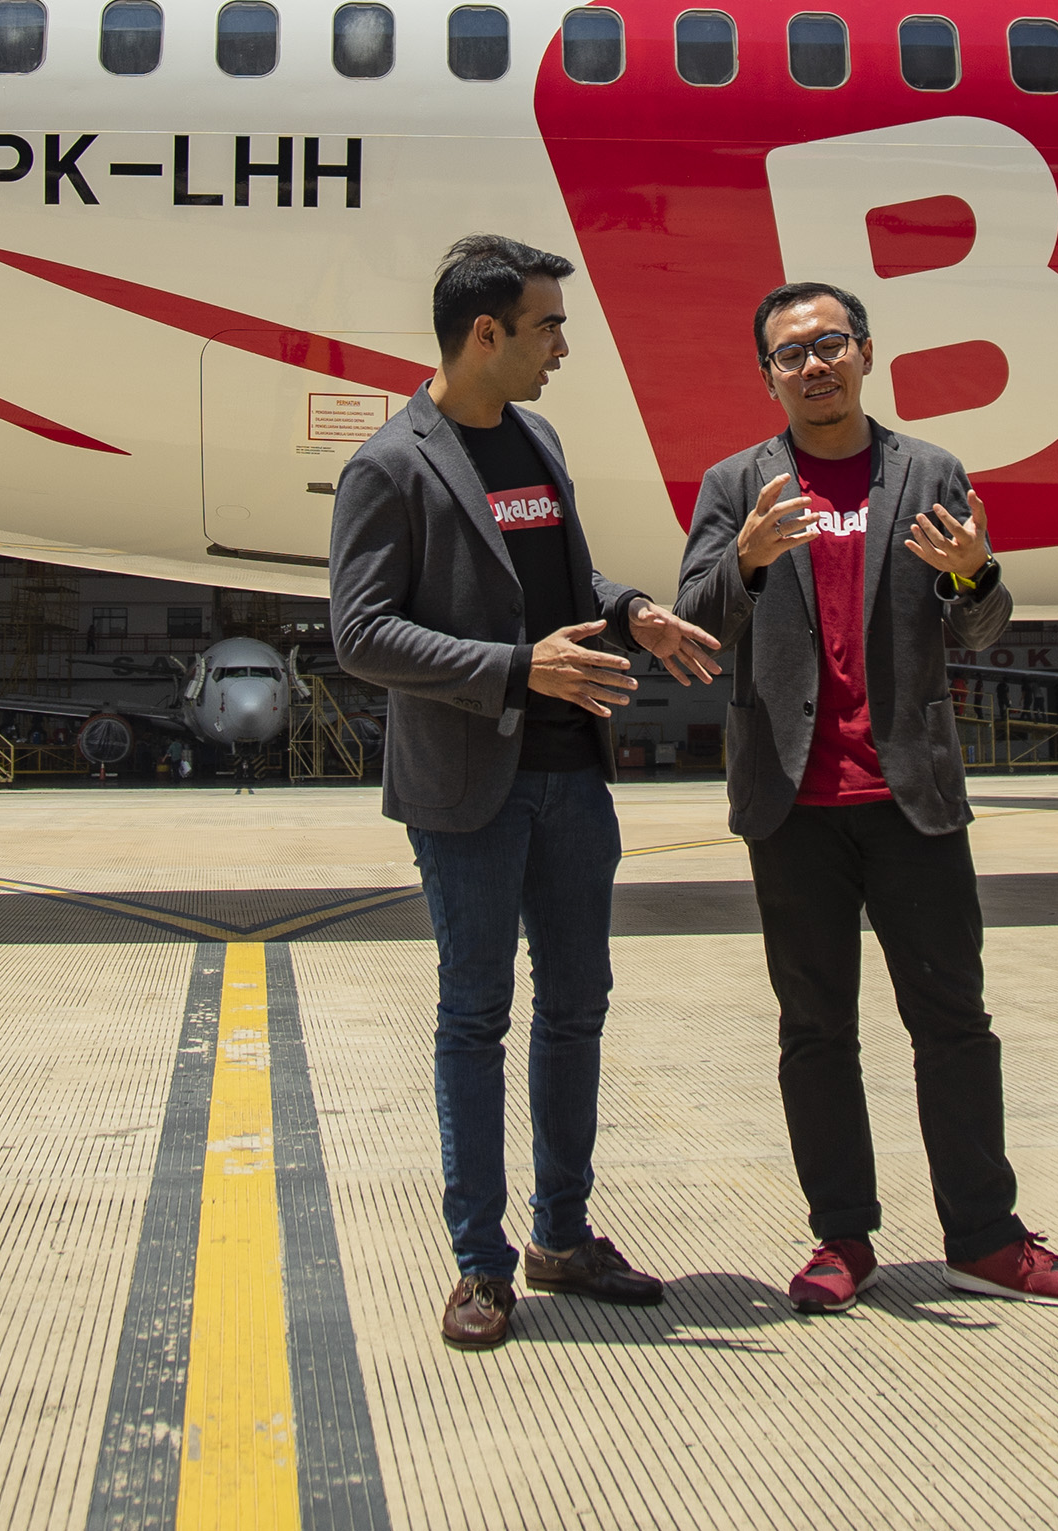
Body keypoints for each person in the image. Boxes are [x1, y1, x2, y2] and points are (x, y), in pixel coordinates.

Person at [678, 279, 1058, 1317]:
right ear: (767, 375)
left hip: (910, 793)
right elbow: (695, 624)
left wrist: (973, 576)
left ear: (867, 353)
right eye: (791, 353)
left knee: (952, 1024)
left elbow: (980, 628)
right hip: (792, 804)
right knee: (815, 1033)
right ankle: (842, 1239)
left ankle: (986, 1240)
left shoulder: (930, 472)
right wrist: (741, 562)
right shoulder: (736, 484)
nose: (814, 364)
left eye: (831, 344)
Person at [330, 233, 723, 1351]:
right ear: (486, 333)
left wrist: (629, 609)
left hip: (570, 777)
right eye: (548, 325)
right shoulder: (390, 465)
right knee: (474, 1016)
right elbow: (360, 634)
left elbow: (563, 579)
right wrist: (515, 669)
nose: (564, 345)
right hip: (470, 784)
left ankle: (561, 1234)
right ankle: (479, 1265)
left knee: (577, 1008)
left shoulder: (538, 440)